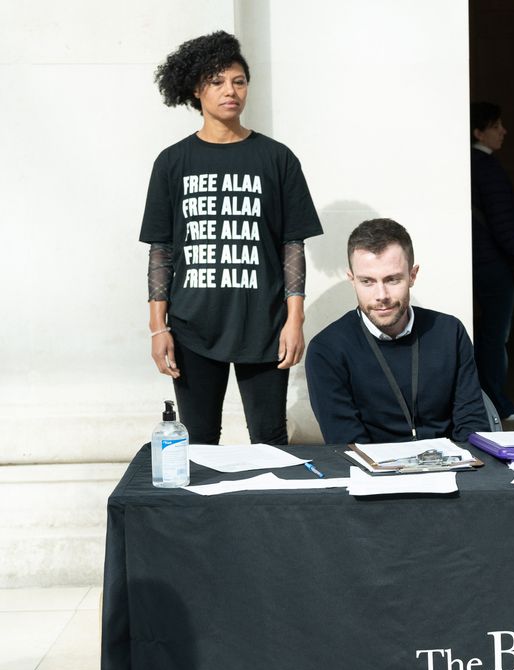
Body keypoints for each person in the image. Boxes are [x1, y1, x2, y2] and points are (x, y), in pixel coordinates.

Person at [140, 31, 323, 445]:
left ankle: (267, 513)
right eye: (217, 81)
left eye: (239, 81)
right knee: (200, 441)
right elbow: (161, 250)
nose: (230, 91)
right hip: (191, 326)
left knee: (270, 439)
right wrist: (157, 327)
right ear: (195, 89)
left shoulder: (277, 159)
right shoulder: (172, 163)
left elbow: (292, 244)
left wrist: (295, 319)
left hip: (264, 323)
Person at [305, 218, 488, 444]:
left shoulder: (450, 332)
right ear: (352, 279)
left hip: (454, 469)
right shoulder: (326, 349)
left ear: (412, 275)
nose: (381, 295)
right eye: (367, 282)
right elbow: (347, 442)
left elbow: (473, 424)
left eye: (392, 280)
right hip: (372, 474)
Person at [470, 101, 514, 422]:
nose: (503, 131)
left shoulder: (468, 164)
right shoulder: (487, 168)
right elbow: (502, 222)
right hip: (491, 262)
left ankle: (485, 400)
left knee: (485, 333)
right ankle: (497, 404)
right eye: (496, 125)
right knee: (495, 335)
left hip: (479, 258)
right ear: (478, 132)